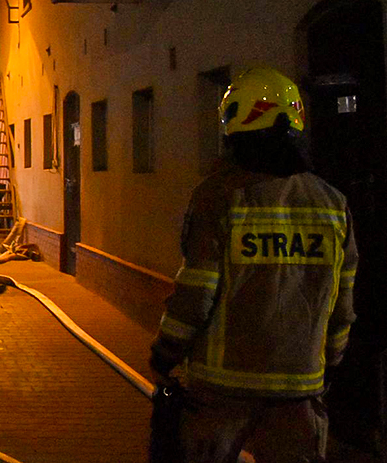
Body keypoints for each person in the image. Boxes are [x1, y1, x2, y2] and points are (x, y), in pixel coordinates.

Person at [149, 67, 357, 463]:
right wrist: (330, 362)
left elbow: (196, 293)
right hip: (300, 388)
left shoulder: (217, 196)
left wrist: (165, 353)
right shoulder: (332, 203)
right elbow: (341, 300)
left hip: (220, 390)